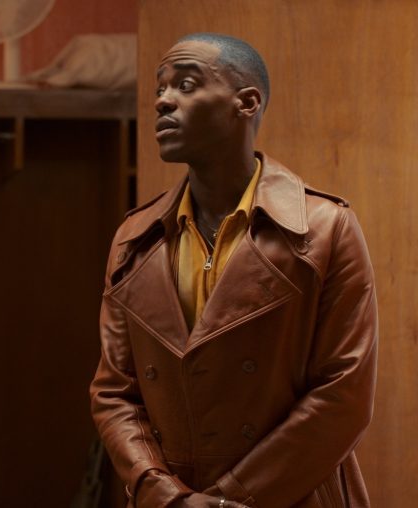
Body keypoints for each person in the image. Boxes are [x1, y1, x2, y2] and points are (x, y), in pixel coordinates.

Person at [90, 33, 377, 507]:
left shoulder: (325, 230)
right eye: (160, 88)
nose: (163, 100)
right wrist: (164, 494)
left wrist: (229, 500)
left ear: (246, 103)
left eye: (185, 84)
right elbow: (114, 392)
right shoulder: (134, 239)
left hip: (290, 494)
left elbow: (343, 396)